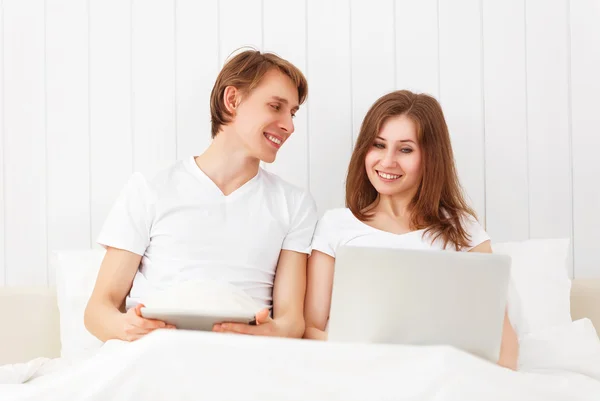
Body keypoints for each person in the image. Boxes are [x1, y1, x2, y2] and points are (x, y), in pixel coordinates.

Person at [84, 49, 318, 342]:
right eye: (275, 107)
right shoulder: (150, 189)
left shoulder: (294, 204)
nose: (289, 125)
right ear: (232, 100)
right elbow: (98, 311)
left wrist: (274, 331)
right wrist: (127, 328)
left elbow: (291, 321)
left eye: (293, 113)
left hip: (243, 355)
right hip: (155, 351)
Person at [302, 90, 519, 370]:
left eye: (405, 149)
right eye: (378, 145)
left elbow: (500, 336)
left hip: (445, 376)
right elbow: (310, 328)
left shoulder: (462, 229)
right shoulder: (335, 226)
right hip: (358, 371)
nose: (388, 161)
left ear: (430, 157)